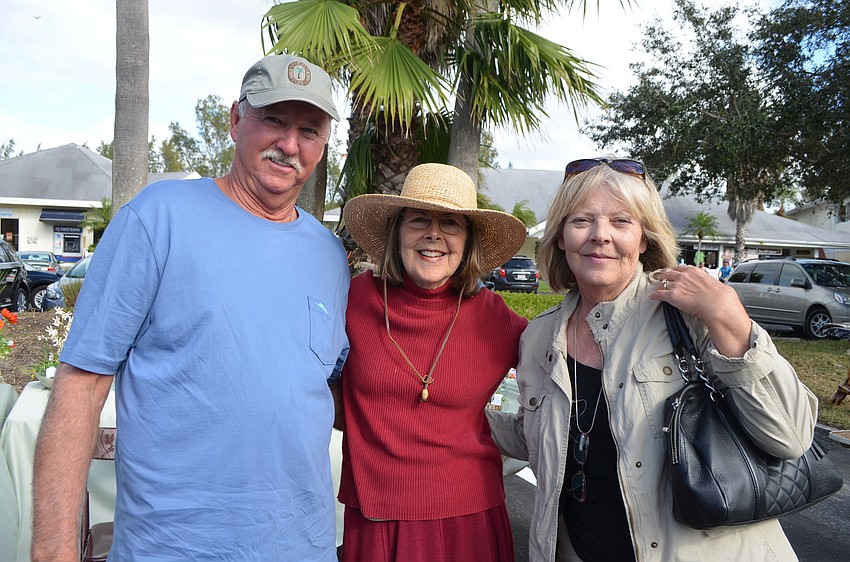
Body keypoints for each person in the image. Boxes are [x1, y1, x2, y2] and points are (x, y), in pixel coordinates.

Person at [31, 54, 350, 561]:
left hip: (301, 547)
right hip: (174, 549)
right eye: (273, 121)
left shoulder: (329, 256)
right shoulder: (157, 218)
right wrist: (53, 550)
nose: (290, 145)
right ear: (234, 120)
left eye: (309, 130)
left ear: (324, 143)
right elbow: (81, 384)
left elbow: (326, 392)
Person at [487, 157, 818, 561]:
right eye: (581, 221)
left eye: (621, 222)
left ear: (645, 238)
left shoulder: (688, 314)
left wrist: (729, 317)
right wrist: (454, 417)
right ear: (559, 237)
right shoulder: (540, 336)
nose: (600, 236)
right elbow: (535, 436)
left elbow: (790, 437)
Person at [337, 163, 529, 562]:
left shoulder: (496, 317)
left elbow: (566, 366)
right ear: (397, 231)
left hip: (470, 521)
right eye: (419, 219)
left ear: (468, 240)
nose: (434, 234)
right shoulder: (352, 300)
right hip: (377, 519)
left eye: (452, 224)